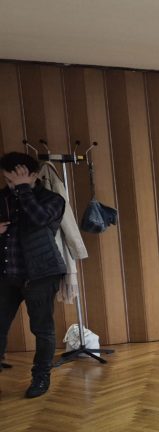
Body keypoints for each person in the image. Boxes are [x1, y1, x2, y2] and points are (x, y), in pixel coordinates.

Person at [0, 152, 67, 399]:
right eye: (8, 180)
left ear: (34, 175)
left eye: (16, 179)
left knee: (42, 329)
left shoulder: (53, 199)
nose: (11, 186)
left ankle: (41, 377)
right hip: (6, 275)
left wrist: (24, 190)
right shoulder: (2, 198)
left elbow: (40, 220)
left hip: (41, 275)